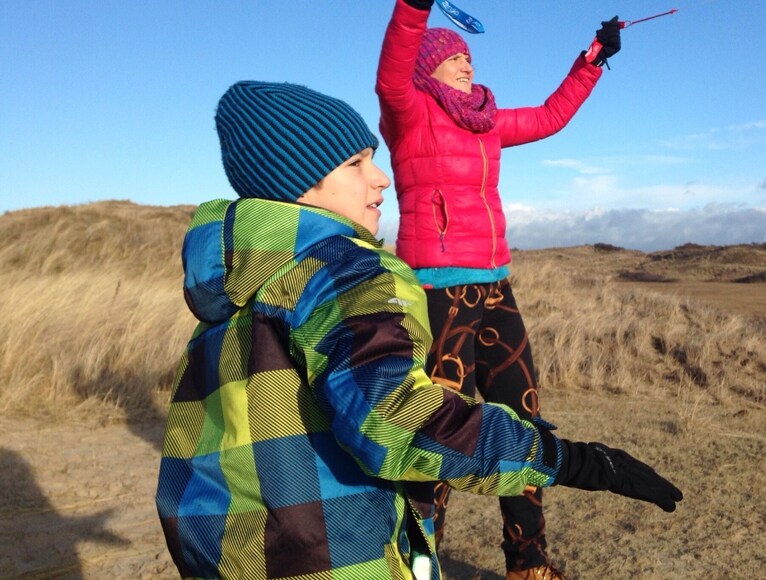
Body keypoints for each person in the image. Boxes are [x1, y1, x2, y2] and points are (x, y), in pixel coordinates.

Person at [155, 80, 681, 580]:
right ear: (298, 182)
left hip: (238, 554)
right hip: (338, 554)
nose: (380, 177)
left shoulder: (234, 293)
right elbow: (396, 419)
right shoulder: (343, 270)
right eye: (356, 163)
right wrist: (568, 460)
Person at [376, 1, 623, 577]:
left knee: (524, 424)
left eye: (469, 56)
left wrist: (592, 60)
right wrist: (414, 8)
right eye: (455, 58)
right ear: (428, 68)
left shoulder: (485, 122)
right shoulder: (408, 111)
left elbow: (550, 116)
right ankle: (415, 568)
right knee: (435, 438)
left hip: (495, 289)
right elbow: (392, 69)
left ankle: (528, 564)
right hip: (436, 293)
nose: (467, 64)